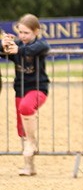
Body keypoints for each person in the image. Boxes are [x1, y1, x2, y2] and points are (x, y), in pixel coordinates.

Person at [2, 14, 50, 176]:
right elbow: (4, 52)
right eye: (20, 32)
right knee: (21, 128)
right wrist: (4, 44)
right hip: (20, 89)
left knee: (26, 107)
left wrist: (18, 49)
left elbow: (38, 48)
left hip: (38, 88)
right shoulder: (17, 45)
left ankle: (31, 142)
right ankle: (29, 166)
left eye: (26, 33)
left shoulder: (40, 44)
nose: (22, 36)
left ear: (36, 31)